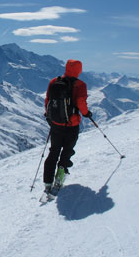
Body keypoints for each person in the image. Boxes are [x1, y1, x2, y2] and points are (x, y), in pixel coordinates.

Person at [43, 59, 92, 193]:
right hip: (72, 124)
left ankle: (47, 182)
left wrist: (49, 116)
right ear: (79, 70)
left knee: (53, 151)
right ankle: (60, 177)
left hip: (56, 124)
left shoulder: (54, 81)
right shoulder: (80, 85)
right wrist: (86, 113)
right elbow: (81, 102)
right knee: (67, 151)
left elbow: (48, 100)